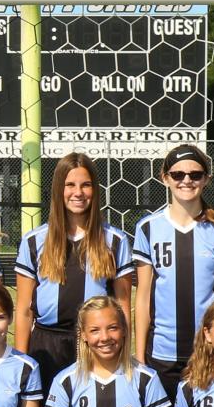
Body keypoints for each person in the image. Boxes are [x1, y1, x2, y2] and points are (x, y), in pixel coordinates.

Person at [131, 145, 214, 407]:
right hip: (162, 355)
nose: (186, 181)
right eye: (178, 174)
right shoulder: (147, 227)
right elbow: (143, 297)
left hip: (210, 352)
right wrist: (140, 357)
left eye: (195, 174)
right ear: (164, 177)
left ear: (206, 178)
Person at [14, 152, 135, 389]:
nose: (78, 192)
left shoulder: (115, 240)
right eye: (70, 185)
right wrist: (20, 362)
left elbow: (122, 307)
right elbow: (24, 311)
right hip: (47, 346)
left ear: (95, 190)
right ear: (59, 189)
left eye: (86, 185)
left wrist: (124, 356)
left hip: (95, 344)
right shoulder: (34, 241)